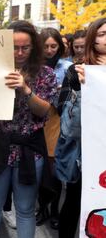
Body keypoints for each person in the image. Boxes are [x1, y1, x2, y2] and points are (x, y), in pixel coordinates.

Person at [0, 21, 57, 238]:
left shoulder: (46, 74)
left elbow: (44, 111)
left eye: (25, 47)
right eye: (14, 47)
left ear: (34, 47)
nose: (19, 52)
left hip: (30, 150)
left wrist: (26, 90)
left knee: (25, 209)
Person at [57, 17, 106, 238]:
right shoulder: (76, 71)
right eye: (103, 34)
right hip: (86, 154)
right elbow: (67, 125)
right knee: (78, 201)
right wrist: (81, 88)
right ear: (92, 38)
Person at [36, 27, 72, 229]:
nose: (49, 50)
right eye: (45, 46)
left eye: (53, 46)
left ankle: (55, 210)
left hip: (58, 122)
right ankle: (42, 208)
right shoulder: (33, 67)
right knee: (39, 173)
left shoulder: (67, 68)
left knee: (54, 171)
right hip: (37, 121)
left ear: (59, 47)